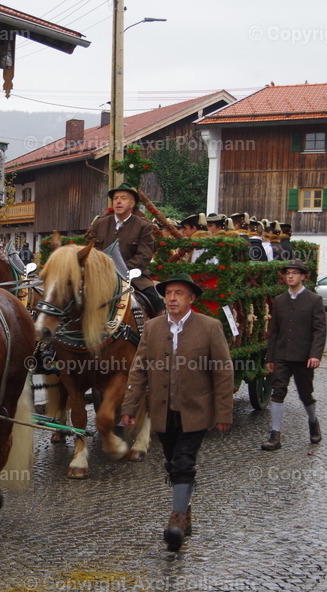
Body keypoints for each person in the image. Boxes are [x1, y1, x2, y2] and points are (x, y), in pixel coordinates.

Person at [121, 273, 233, 552]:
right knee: (172, 464)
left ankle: (176, 521)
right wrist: (130, 406)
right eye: (168, 293)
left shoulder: (209, 327)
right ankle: (186, 508)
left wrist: (223, 413)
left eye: (178, 293)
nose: (171, 298)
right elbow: (139, 368)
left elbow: (223, 372)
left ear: (191, 299)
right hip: (163, 410)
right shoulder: (152, 327)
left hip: (196, 411)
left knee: (183, 462)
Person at [262, 259, 327, 452]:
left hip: (304, 356)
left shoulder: (314, 300)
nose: (290, 276)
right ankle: (275, 434)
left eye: (295, 273)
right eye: (287, 273)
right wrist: (270, 357)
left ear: (303, 276)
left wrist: (315, 354)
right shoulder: (279, 300)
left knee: (305, 393)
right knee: (278, 391)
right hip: (282, 354)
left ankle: (313, 421)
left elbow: (320, 330)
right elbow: (274, 331)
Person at [85, 183, 163, 314]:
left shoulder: (143, 226)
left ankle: (159, 324)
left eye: (123, 198)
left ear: (132, 203)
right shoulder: (99, 224)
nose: (118, 201)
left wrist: (120, 269)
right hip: (101, 275)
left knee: (156, 302)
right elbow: (91, 250)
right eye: (115, 198)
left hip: (133, 276)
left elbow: (144, 255)